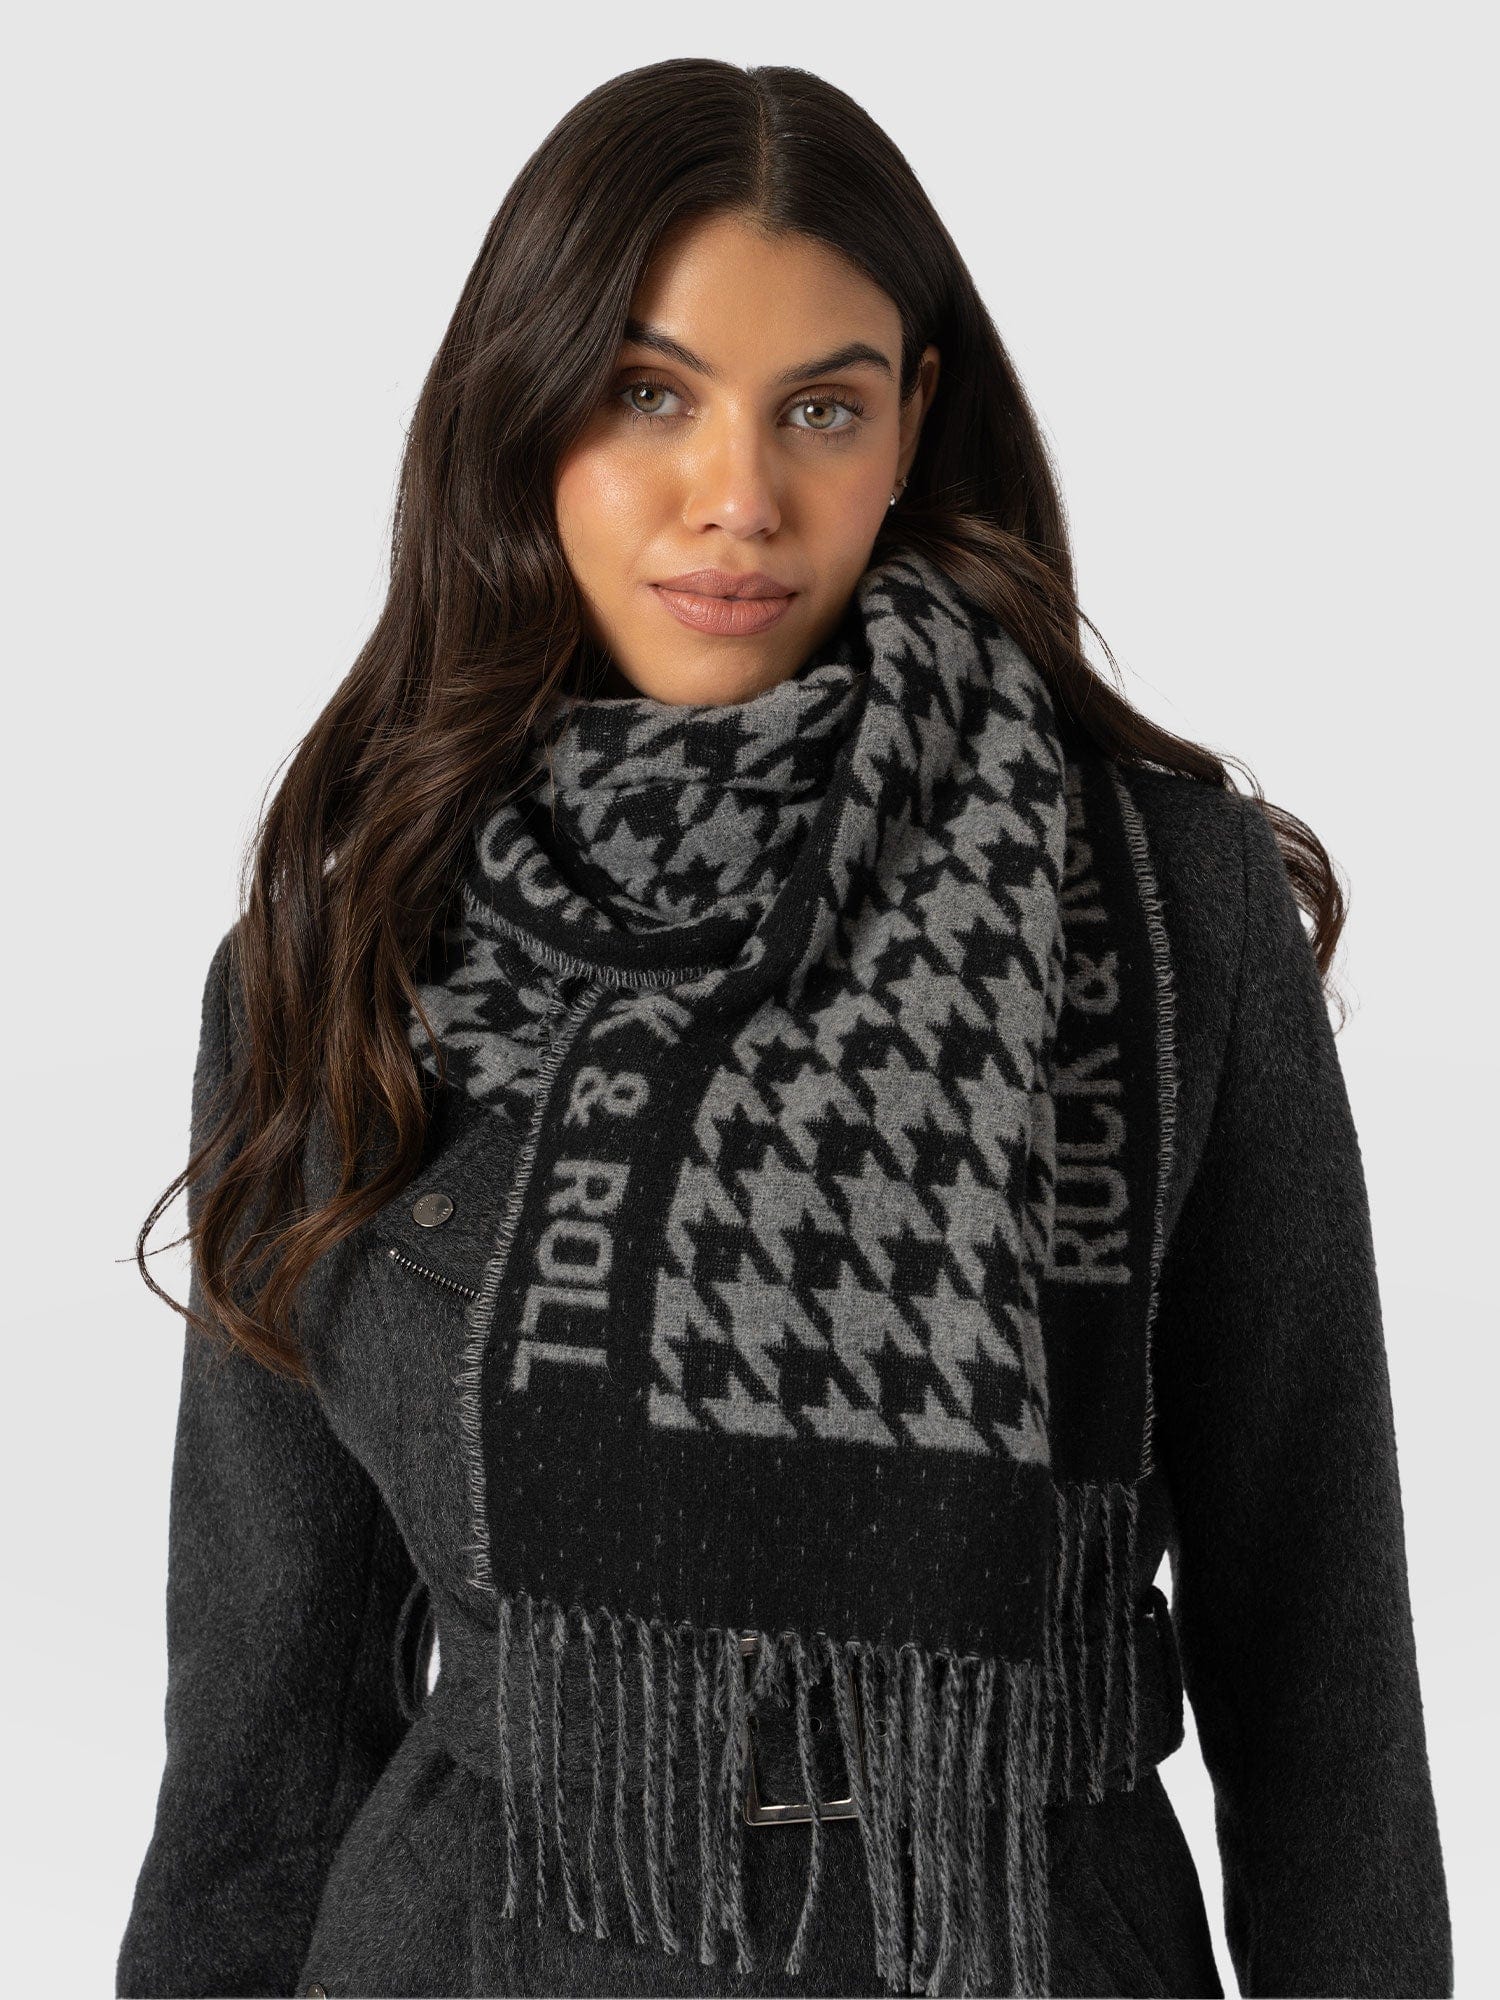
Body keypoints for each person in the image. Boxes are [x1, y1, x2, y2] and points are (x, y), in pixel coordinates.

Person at [115, 56, 1452, 2000]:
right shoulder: (344, 955)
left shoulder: (1164, 908)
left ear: (913, 421)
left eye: (821, 406)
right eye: (647, 394)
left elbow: (1316, 1641)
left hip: (1030, 1945)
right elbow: (265, 1730)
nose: (737, 497)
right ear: (523, 416)